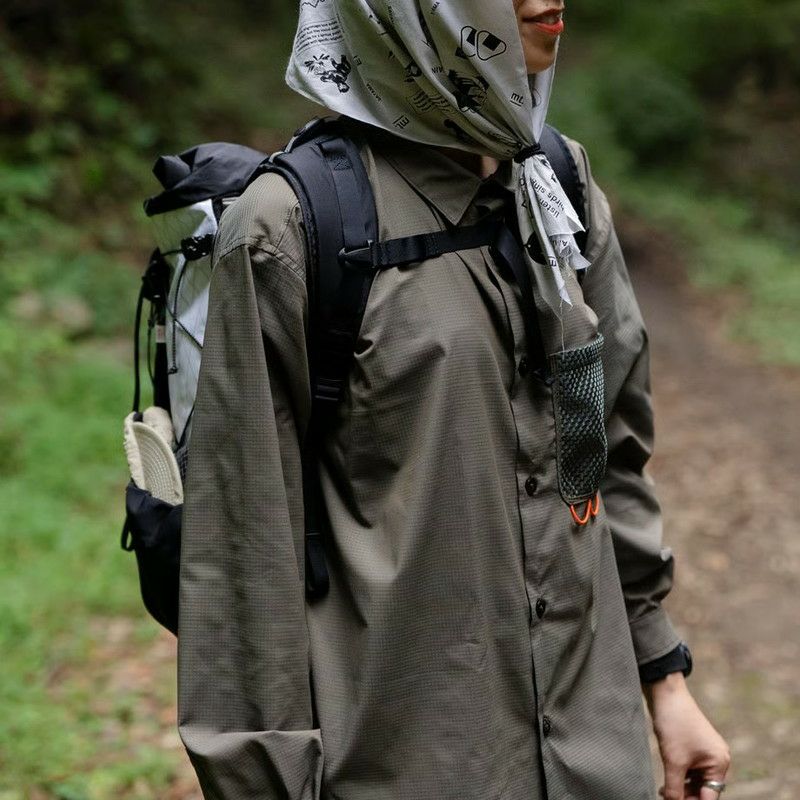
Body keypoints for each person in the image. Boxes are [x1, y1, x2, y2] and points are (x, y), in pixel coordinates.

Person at [176, 1, 731, 799]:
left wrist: (664, 682)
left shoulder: (559, 184)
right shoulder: (290, 228)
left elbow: (603, 456)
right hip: (406, 766)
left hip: (594, 757)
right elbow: (243, 560)